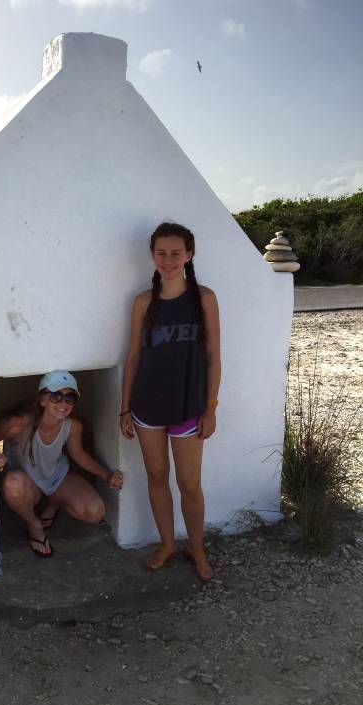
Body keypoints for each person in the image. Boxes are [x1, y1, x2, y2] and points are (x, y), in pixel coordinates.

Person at [120, 222, 221, 581]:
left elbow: (213, 356)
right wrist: (125, 407)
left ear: (189, 255)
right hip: (147, 405)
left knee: (190, 483)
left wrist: (210, 407)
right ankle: (167, 544)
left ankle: (196, 547)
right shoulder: (143, 302)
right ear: (152, 256)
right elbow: (132, 356)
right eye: (161, 253)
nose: (168, 260)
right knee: (157, 475)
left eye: (175, 253)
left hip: (189, 406)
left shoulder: (203, 298)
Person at [0, 370, 123, 557]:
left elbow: (78, 454)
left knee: (95, 512)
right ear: (42, 400)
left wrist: (106, 475)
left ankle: (54, 503)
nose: (63, 403)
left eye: (70, 398)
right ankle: (34, 524)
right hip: (27, 484)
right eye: (56, 396)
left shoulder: (73, 426)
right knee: (12, 483)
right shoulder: (18, 424)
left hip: (57, 476)